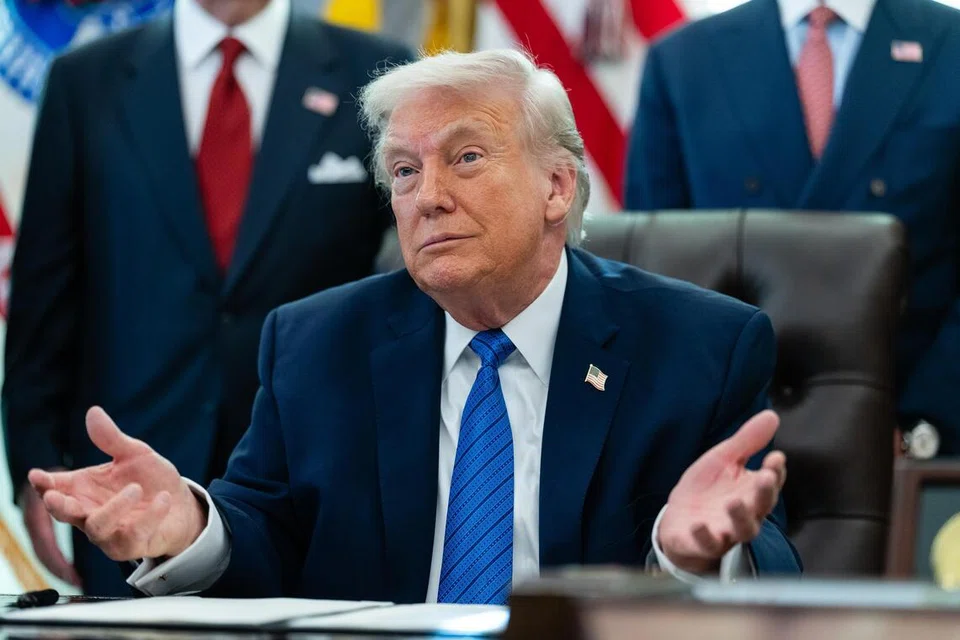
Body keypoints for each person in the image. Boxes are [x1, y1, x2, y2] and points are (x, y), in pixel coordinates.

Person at [27, 50, 801, 604]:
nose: (426, 196)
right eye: (403, 170)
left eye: (465, 157)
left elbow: (775, 561)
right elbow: (263, 538)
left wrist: (686, 552)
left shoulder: (697, 347)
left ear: (558, 187)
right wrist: (193, 526)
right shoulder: (317, 344)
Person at [3, 0, 412, 595]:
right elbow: (45, 290)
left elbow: (414, 288)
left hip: (321, 485)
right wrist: (35, 463)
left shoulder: (376, 73)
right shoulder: (84, 79)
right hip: (125, 487)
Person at [625, 0, 960, 457]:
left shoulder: (950, 45)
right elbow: (647, 274)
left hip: (907, 446)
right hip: (720, 446)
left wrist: (926, 423)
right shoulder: (684, 62)